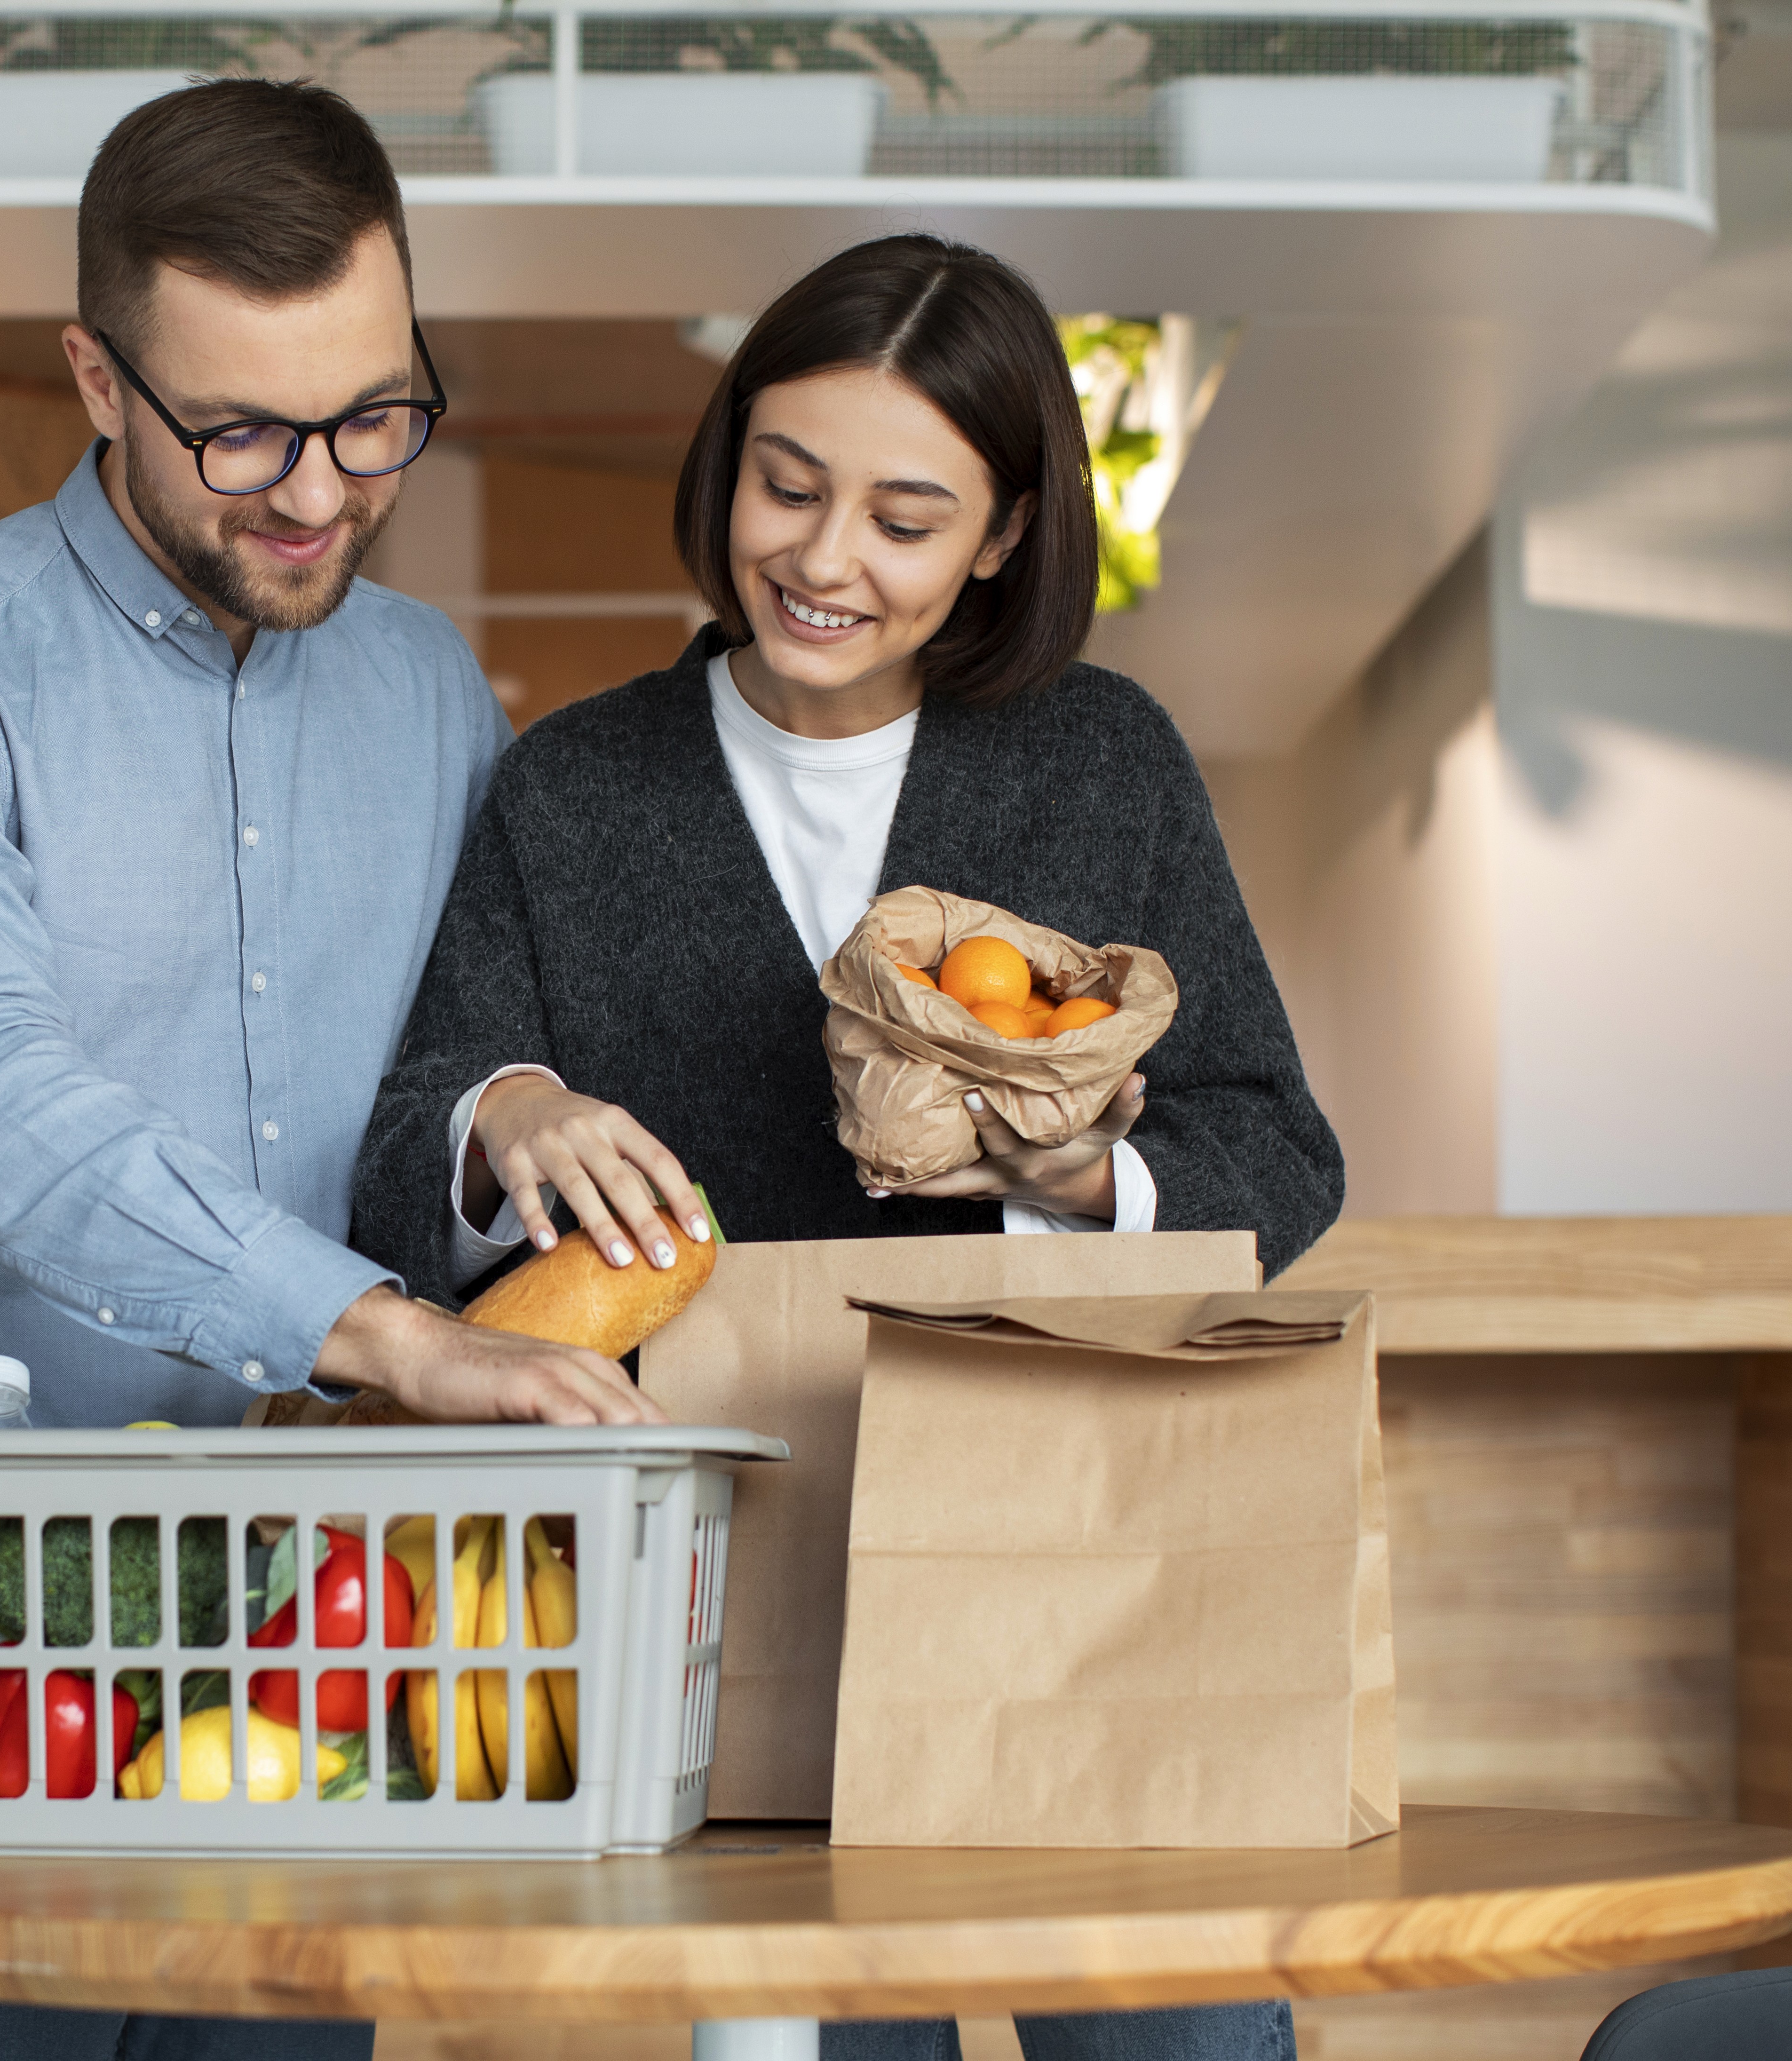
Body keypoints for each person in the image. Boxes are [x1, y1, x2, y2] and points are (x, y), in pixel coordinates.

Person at [350, 234, 1343, 2061]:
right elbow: (414, 1132)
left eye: (904, 516)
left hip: (1083, 1558)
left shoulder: (1100, 764)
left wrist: (1079, 1189)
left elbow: (1276, 1156)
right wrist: (512, 1110)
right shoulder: (574, 785)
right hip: (729, 1583)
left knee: (1176, 2042)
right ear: (727, 458)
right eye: (787, 484)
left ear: (1004, 534)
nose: (820, 559)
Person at [0, 79, 663, 2061]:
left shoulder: (432, 689)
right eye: (241, 428)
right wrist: (386, 1336)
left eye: (373, 416)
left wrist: (504, 1098)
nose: (321, 489)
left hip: (314, 1596)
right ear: (96, 377)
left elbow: (440, 1055)